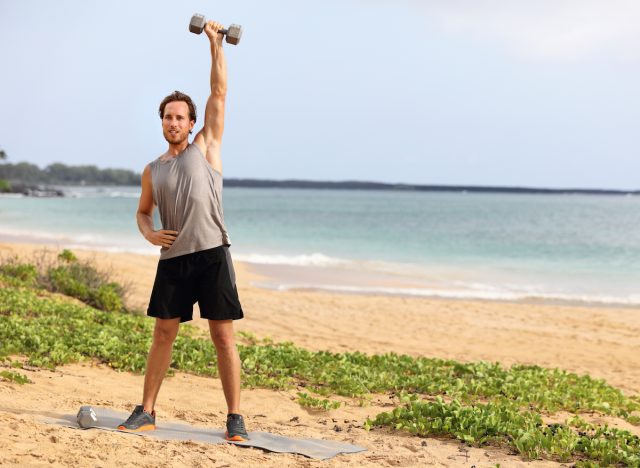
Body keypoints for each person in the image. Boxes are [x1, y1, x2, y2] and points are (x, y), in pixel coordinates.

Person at [118, 20, 248, 441]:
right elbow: (142, 213)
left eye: (180, 117)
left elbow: (219, 92)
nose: (174, 122)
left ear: (192, 123)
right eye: (167, 117)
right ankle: (147, 411)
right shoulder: (153, 170)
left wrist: (215, 45)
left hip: (212, 252)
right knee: (162, 334)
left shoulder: (205, 147)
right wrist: (150, 233)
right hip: (173, 259)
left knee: (223, 338)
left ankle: (234, 419)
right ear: (161, 122)